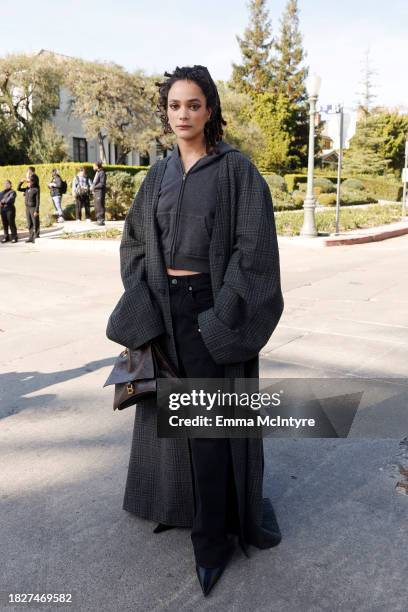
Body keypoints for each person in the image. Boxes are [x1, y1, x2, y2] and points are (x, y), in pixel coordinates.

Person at [106, 65, 284, 597]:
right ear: (166, 112)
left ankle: (213, 541)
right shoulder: (156, 175)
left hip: (212, 310)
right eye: (174, 106)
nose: (182, 114)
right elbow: (135, 243)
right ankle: (183, 507)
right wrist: (145, 303)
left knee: (207, 429)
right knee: (170, 419)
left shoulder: (237, 172)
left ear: (211, 110)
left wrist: (219, 315)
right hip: (164, 308)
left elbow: (253, 252)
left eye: (193, 105)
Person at [17, 175, 40, 243]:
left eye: (29, 182)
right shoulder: (27, 189)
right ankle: (30, 237)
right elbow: (18, 189)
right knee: (29, 223)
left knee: (35, 222)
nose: (28, 184)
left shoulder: (36, 189)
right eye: (27, 183)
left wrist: (36, 210)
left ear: (32, 183)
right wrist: (21, 182)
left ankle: (36, 235)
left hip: (33, 208)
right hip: (27, 208)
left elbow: (38, 201)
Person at [91, 161, 106, 225]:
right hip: (96, 191)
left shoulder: (102, 173)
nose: (93, 167)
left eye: (94, 166)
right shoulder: (97, 172)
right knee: (97, 205)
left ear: (97, 166)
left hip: (100, 191)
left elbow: (102, 183)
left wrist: (94, 187)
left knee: (100, 205)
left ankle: (101, 220)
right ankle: (98, 219)